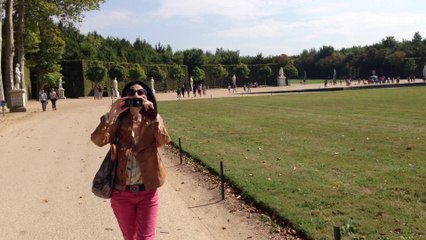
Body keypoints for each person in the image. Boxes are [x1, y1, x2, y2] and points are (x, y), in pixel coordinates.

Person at [91, 80, 170, 240]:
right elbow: (98, 140)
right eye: (131, 93)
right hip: (121, 193)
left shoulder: (153, 119)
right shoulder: (118, 121)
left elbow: (163, 141)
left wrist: (154, 116)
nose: (136, 96)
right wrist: (110, 115)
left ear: (147, 97)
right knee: (130, 237)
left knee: (146, 238)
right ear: (125, 98)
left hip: (147, 192)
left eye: (141, 93)